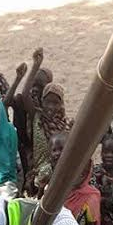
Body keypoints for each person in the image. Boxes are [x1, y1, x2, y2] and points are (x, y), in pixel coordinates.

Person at [22, 49, 73, 189]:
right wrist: (35, 65)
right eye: (47, 101)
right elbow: (25, 95)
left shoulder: (66, 124)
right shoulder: (37, 116)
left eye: (55, 103)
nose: (51, 107)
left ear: (61, 104)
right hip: (40, 174)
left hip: (60, 173)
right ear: (42, 101)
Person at [45, 131, 102, 225]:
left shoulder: (89, 197)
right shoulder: (52, 176)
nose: (57, 153)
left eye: (61, 149)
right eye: (54, 150)